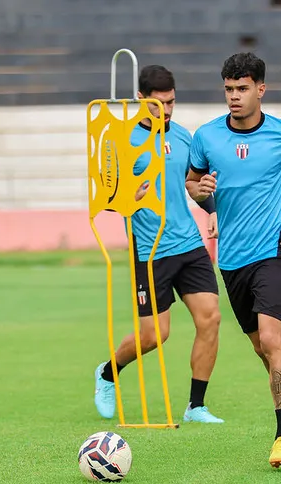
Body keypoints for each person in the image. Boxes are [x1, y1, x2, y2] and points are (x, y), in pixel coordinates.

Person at [185, 52, 281, 467]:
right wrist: (203, 196)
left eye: (243, 88)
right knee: (262, 350)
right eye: (229, 89)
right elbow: (193, 183)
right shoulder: (207, 136)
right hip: (231, 258)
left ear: (261, 89)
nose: (234, 96)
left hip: (275, 248)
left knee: (272, 340)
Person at [94, 65, 224, 424]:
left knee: (210, 318)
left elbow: (191, 183)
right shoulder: (122, 139)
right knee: (154, 335)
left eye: (171, 102)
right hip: (150, 249)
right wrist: (126, 196)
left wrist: (208, 205)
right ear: (140, 100)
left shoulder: (183, 137)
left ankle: (196, 405)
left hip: (189, 244)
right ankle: (107, 373)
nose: (165, 111)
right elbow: (107, 197)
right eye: (157, 104)